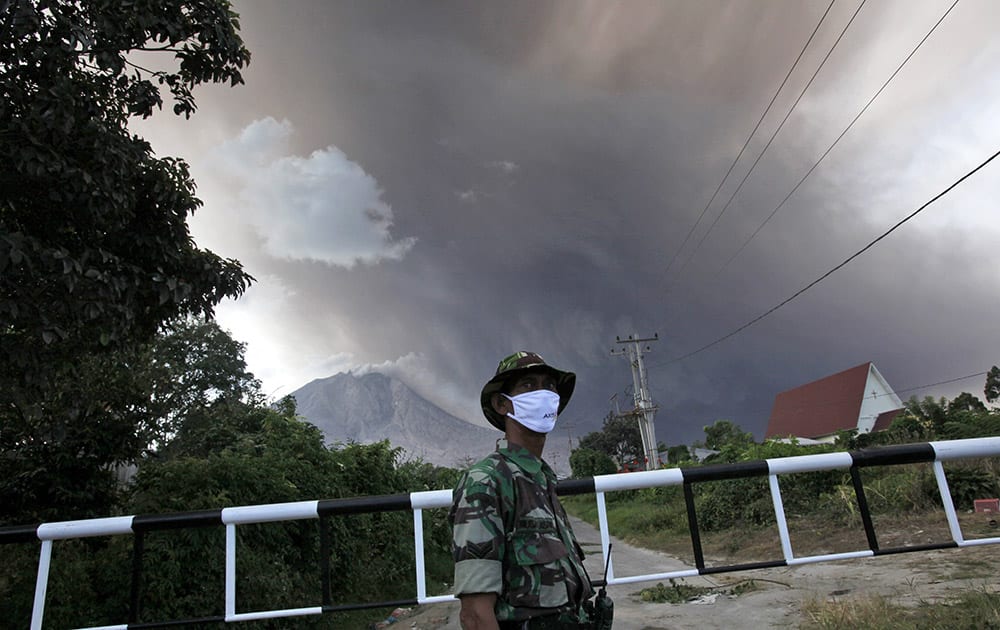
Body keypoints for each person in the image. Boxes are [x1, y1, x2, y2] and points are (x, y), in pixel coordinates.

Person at [449, 351, 594, 629]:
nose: (544, 394)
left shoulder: (541, 478)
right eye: (528, 385)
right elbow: (476, 615)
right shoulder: (486, 481)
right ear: (502, 404)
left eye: (550, 386)